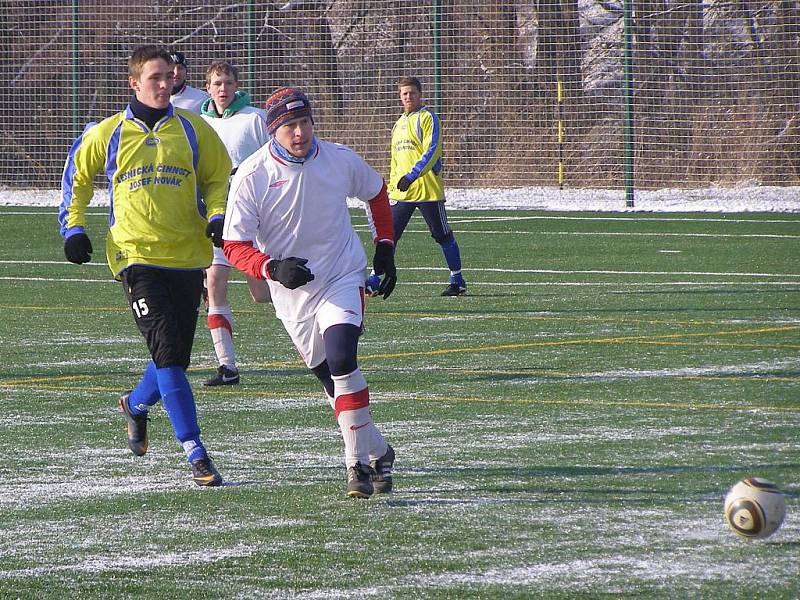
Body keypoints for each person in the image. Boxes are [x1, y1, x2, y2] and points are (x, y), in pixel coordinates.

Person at [58, 45, 232, 487]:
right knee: (169, 355)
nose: (163, 84)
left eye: (168, 77)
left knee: (174, 357)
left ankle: (135, 405)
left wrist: (216, 215)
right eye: (154, 77)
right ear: (133, 82)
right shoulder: (109, 131)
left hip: (188, 255)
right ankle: (195, 450)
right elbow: (76, 177)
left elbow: (217, 178)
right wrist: (74, 228)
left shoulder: (194, 128)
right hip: (135, 256)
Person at [222, 87, 397, 499]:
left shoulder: (338, 158)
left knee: (342, 358)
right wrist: (271, 267)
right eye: (289, 126)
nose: (299, 133)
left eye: (304, 122)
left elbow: (376, 191)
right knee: (332, 383)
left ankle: (355, 467)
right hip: (292, 294)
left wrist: (385, 247)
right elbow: (234, 244)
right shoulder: (253, 174)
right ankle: (381, 452)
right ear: (272, 132)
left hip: (342, 274)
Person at [199, 59, 272, 386]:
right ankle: (227, 367)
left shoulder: (255, 119)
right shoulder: (197, 123)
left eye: (228, 83)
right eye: (217, 83)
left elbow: (275, 160)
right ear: (208, 87)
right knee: (214, 284)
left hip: (252, 215)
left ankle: (319, 308)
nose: (223, 89)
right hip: (216, 216)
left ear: (236, 85)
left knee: (261, 292)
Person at [366, 75, 467, 297]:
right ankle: (374, 279)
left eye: (412, 93)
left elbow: (432, 152)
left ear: (420, 95)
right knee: (388, 236)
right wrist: (391, 187)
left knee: (442, 235)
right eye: (405, 94)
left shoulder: (428, 118)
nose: (408, 97)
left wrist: (412, 175)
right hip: (402, 192)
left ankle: (457, 280)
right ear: (400, 97)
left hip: (428, 190)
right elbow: (395, 159)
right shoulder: (398, 124)